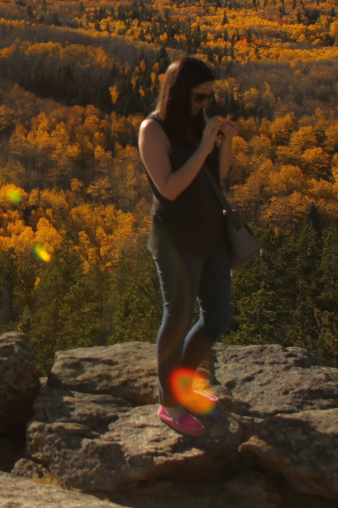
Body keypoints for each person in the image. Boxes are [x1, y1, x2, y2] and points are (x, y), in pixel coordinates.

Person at [137, 55, 238, 436]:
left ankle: (183, 383)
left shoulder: (199, 124)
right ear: (178, 93)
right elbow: (170, 188)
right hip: (177, 238)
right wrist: (202, 149)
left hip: (212, 233)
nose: (204, 105)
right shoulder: (153, 130)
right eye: (199, 98)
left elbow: (219, 174)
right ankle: (171, 403)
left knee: (218, 316)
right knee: (177, 316)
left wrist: (224, 143)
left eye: (209, 98)